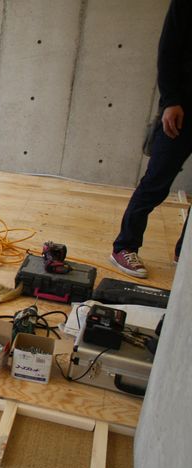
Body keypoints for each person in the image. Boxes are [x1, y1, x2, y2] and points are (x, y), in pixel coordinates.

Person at [111, 0, 191, 278]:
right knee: (155, 182)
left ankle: (185, 252)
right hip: (182, 110)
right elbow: (169, 50)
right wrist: (171, 100)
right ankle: (124, 246)